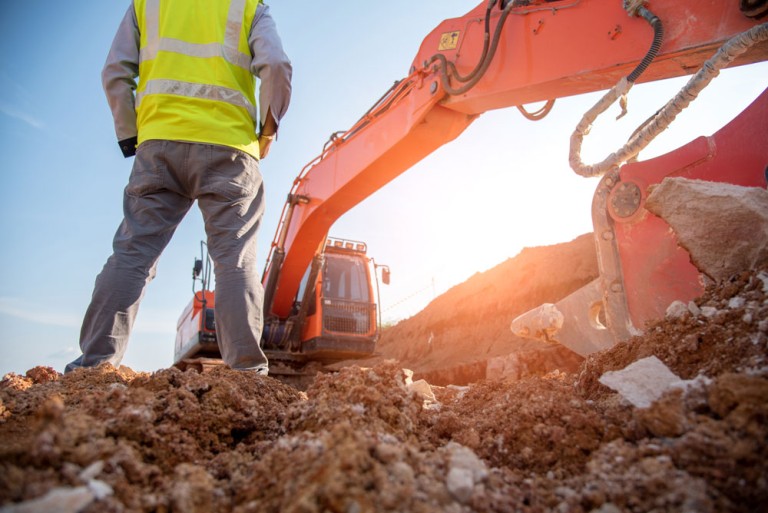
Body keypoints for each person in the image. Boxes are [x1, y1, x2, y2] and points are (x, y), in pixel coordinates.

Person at [65, 0, 292, 375]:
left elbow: (114, 73)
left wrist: (132, 135)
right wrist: (268, 130)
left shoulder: (147, 4)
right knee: (235, 260)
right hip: (229, 147)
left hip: (158, 145)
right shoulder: (248, 5)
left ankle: (93, 367)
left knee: (133, 255)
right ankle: (248, 373)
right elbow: (277, 66)